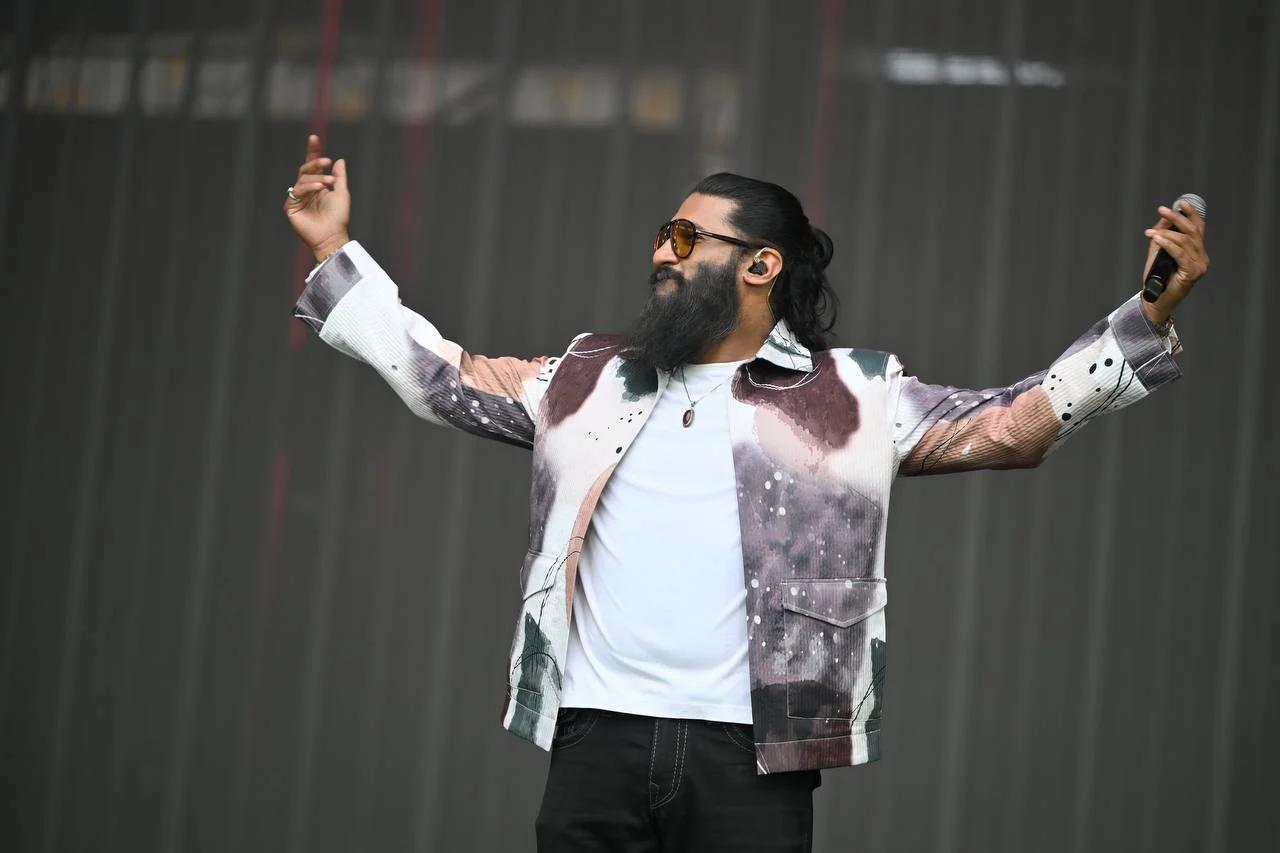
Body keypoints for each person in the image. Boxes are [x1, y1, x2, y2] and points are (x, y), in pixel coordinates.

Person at [283, 134, 1208, 853]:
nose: (662, 252)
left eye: (686, 238)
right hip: (595, 738)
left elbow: (1013, 423)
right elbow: (442, 376)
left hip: (752, 755)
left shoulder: (854, 395)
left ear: (761, 265)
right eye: (661, 234)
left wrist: (1147, 317)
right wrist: (335, 250)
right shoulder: (587, 376)